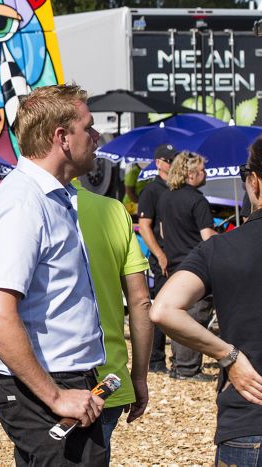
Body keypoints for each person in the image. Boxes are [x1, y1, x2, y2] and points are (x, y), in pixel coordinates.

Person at [0, 84, 108, 465]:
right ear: (61, 138)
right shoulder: (22, 202)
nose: (97, 136)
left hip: (68, 381)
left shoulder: (56, 197)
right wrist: (54, 396)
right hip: (46, 388)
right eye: (89, 127)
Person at [150, 138, 262, 466]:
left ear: (253, 181)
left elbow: (163, 309)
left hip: (249, 417)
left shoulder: (222, 249)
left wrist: (228, 356)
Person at [75, 182, 152, 459]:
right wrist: (139, 376)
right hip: (107, 377)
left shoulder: (22, 203)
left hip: (41, 376)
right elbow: (141, 300)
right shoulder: (112, 209)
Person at [158, 151, 217, 381]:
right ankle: (187, 369)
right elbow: (207, 238)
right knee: (195, 318)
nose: (205, 174)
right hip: (196, 266)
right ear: (191, 173)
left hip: (174, 264)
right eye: (202, 169)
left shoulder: (166, 197)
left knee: (178, 317)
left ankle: (178, 365)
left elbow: (163, 232)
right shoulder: (198, 200)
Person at [137, 143, 177, 373]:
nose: (172, 165)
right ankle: (155, 359)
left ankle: (174, 359)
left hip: (175, 254)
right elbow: (144, 226)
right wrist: (160, 255)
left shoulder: (175, 188)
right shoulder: (152, 191)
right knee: (159, 306)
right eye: (169, 161)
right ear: (159, 163)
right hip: (161, 257)